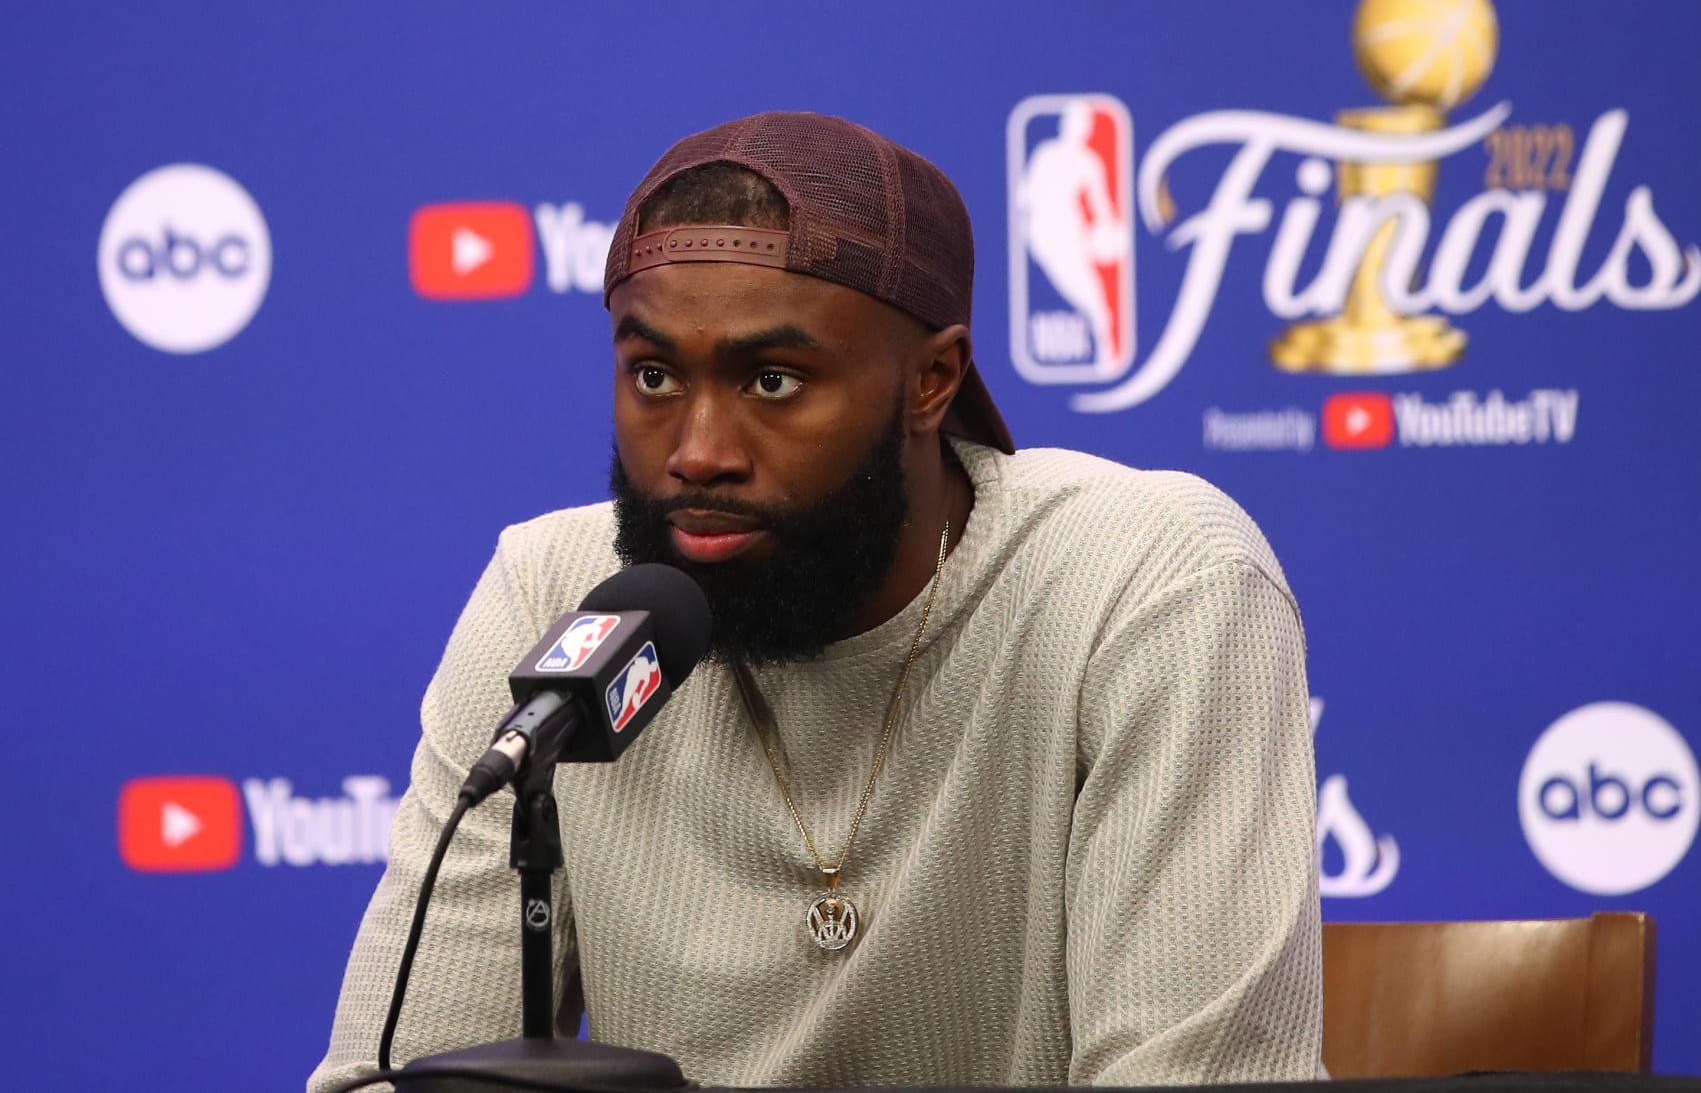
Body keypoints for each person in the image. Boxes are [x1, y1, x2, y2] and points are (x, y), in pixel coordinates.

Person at [310, 111, 1321, 1090]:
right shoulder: (553, 592)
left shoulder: (1147, 582)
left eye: (776, 380)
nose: (699, 451)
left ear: (932, 381)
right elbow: (389, 1074)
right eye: (654, 374)